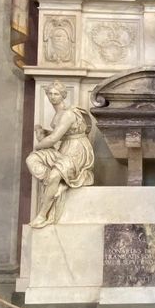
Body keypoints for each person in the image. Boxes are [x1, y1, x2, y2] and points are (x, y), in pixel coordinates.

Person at [26, 81, 95, 228]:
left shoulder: (68, 114)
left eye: (56, 94)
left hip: (77, 151)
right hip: (64, 148)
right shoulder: (58, 114)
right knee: (32, 159)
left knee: (54, 174)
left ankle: (42, 215)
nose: (53, 96)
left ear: (63, 95)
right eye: (50, 93)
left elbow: (54, 139)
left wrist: (37, 146)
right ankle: (57, 185)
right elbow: (61, 134)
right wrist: (45, 133)